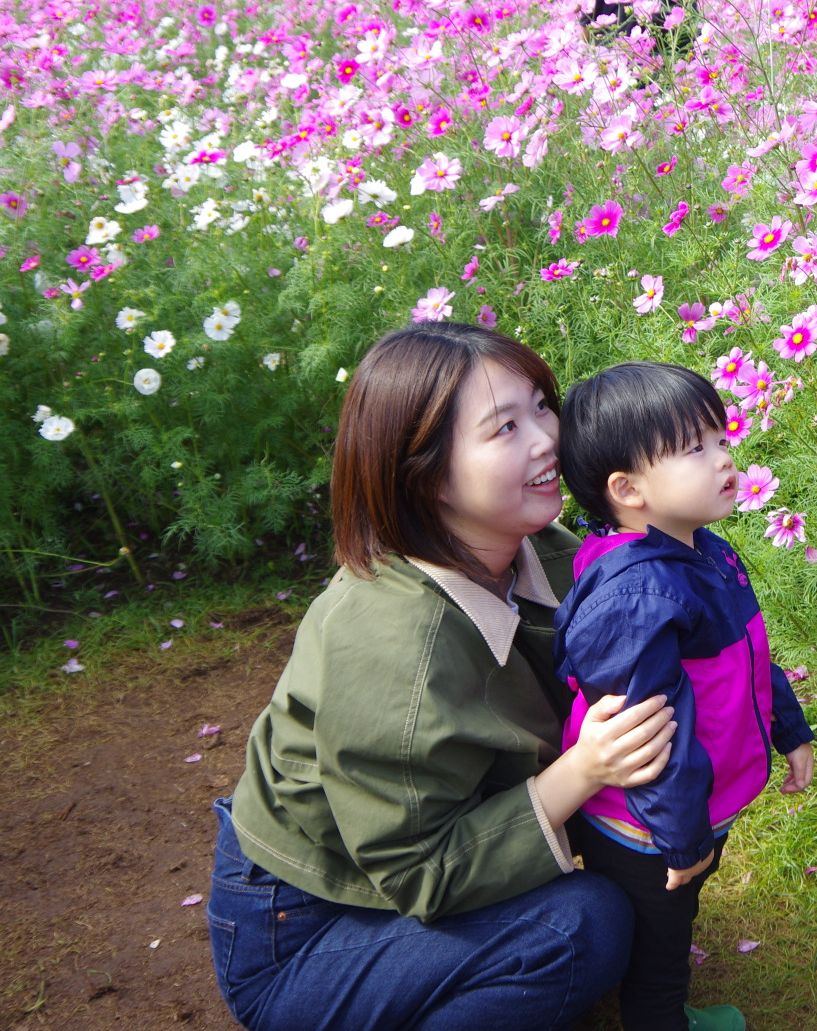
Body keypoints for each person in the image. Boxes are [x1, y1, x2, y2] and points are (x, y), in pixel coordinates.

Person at [207, 325, 681, 1031]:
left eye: (542, 406)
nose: (549, 438)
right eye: (505, 427)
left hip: (396, 874)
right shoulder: (390, 641)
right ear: (424, 472)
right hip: (307, 927)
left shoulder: (546, 549)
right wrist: (581, 771)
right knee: (582, 926)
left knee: (630, 898)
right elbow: (416, 871)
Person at [553, 363, 817, 1031]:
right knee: (659, 954)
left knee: (671, 925)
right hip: (646, 825)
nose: (725, 457)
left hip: (683, 816)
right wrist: (684, 837)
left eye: (720, 436)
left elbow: (748, 653)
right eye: (695, 447)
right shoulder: (634, 595)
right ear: (628, 489)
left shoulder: (700, 549)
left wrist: (789, 727)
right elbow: (651, 742)